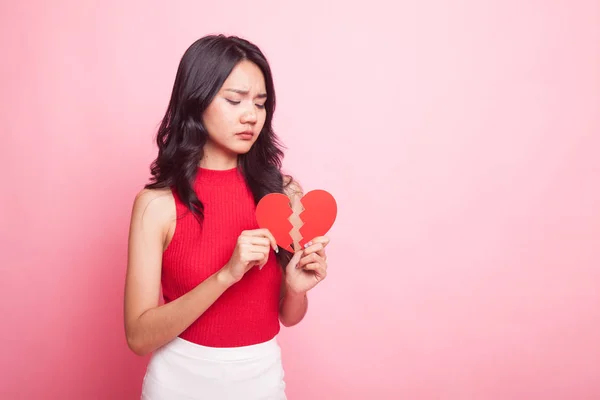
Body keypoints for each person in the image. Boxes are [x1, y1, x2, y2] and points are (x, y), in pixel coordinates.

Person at [123, 34, 330, 399]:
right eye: (234, 100)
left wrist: (297, 289)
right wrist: (226, 275)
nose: (251, 115)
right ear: (196, 102)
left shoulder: (282, 193)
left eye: (261, 104)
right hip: (178, 380)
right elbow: (138, 338)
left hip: (261, 378)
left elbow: (288, 315)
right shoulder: (157, 204)